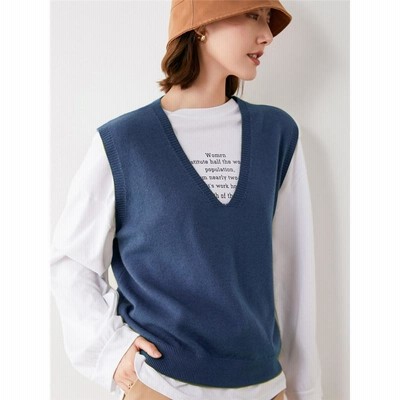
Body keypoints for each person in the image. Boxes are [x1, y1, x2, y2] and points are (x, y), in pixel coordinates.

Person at [50, 1, 323, 400]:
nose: (266, 35)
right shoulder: (124, 142)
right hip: (162, 385)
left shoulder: (276, 135)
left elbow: (294, 275)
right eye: (252, 15)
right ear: (201, 26)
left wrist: (304, 390)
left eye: (268, 19)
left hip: (263, 387)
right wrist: (112, 351)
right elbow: (71, 263)